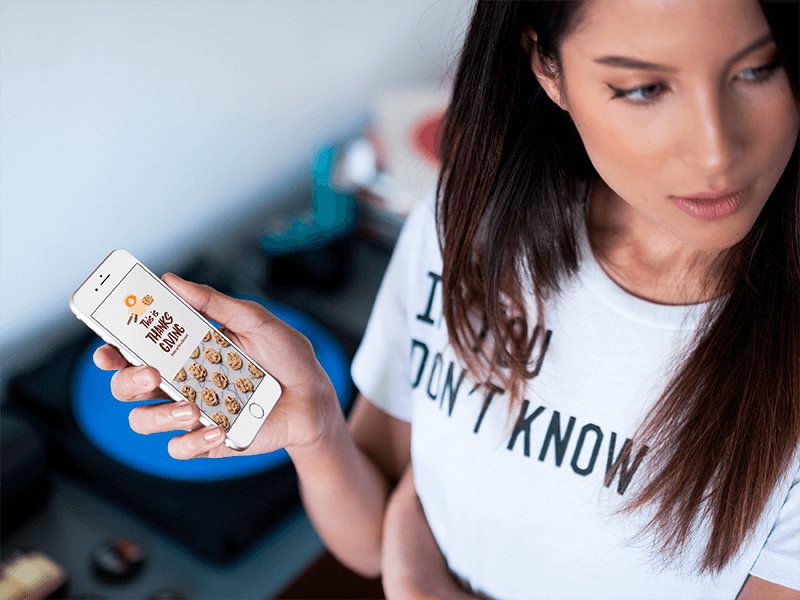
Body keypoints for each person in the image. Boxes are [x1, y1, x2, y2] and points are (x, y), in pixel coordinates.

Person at [94, 0, 800, 598]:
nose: (715, 152)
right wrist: (314, 426)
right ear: (547, 70)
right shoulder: (468, 223)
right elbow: (374, 537)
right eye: (644, 89)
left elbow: (405, 552)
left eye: (757, 68)